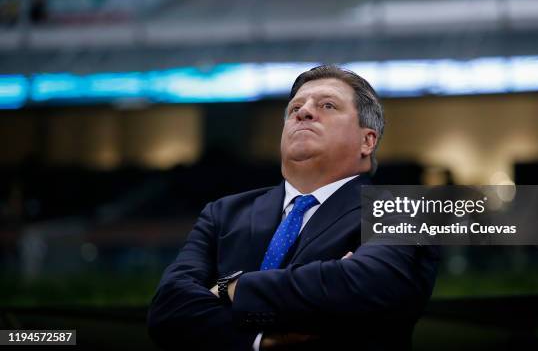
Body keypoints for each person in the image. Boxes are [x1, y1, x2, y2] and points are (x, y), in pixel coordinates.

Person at [147, 65, 439, 350]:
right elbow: (168, 311)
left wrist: (231, 287)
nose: (303, 111)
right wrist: (256, 341)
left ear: (367, 140)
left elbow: (364, 287)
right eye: (294, 108)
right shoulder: (223, 213)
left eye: (327, 105)